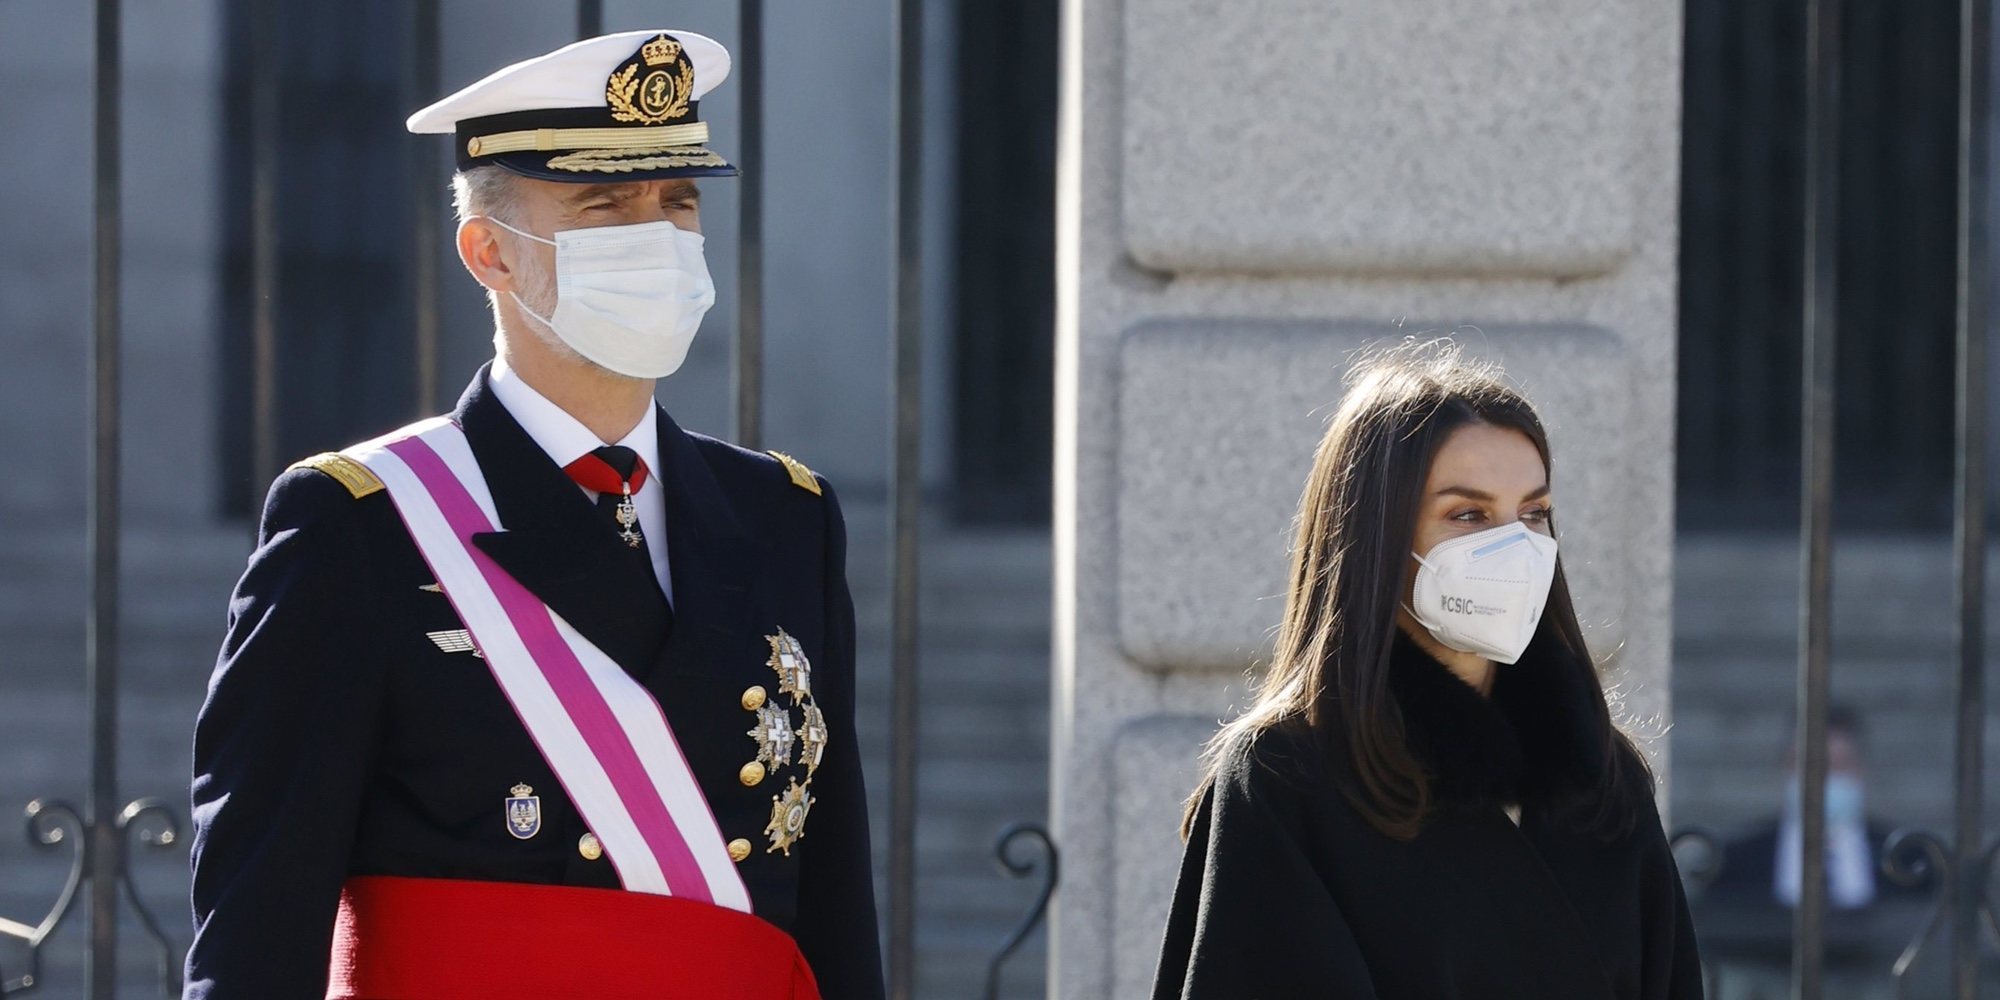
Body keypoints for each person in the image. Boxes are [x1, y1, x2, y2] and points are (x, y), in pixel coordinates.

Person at [185, 30, 883, 999]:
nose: (659, 237)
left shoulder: (784, 521)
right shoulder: (359, 531)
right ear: (488, 253)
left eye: (677, 202)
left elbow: (836, 926)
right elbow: (254, 947)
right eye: (605, 207)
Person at [1151, 340, 1704, 999]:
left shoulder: (1601, 783)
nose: (1515, 547)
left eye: (1533, 513)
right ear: (1379, 540)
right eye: (1467, 515)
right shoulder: (1287, 776)